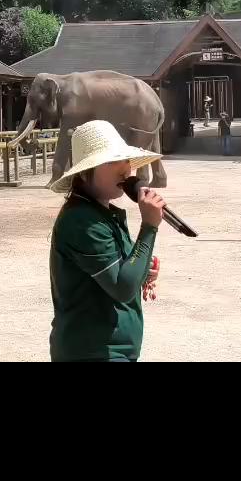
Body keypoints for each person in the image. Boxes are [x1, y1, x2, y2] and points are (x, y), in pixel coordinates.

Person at [48, 121, 166, 363]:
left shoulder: (103, 215)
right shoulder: (82, 221)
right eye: (112, 161)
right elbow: (122, 288)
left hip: (111, 350)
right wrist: (149, 228)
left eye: (126, 159)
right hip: (93, 352)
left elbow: (121, 274)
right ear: (85, 172)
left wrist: (142, 270)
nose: (125, 169)